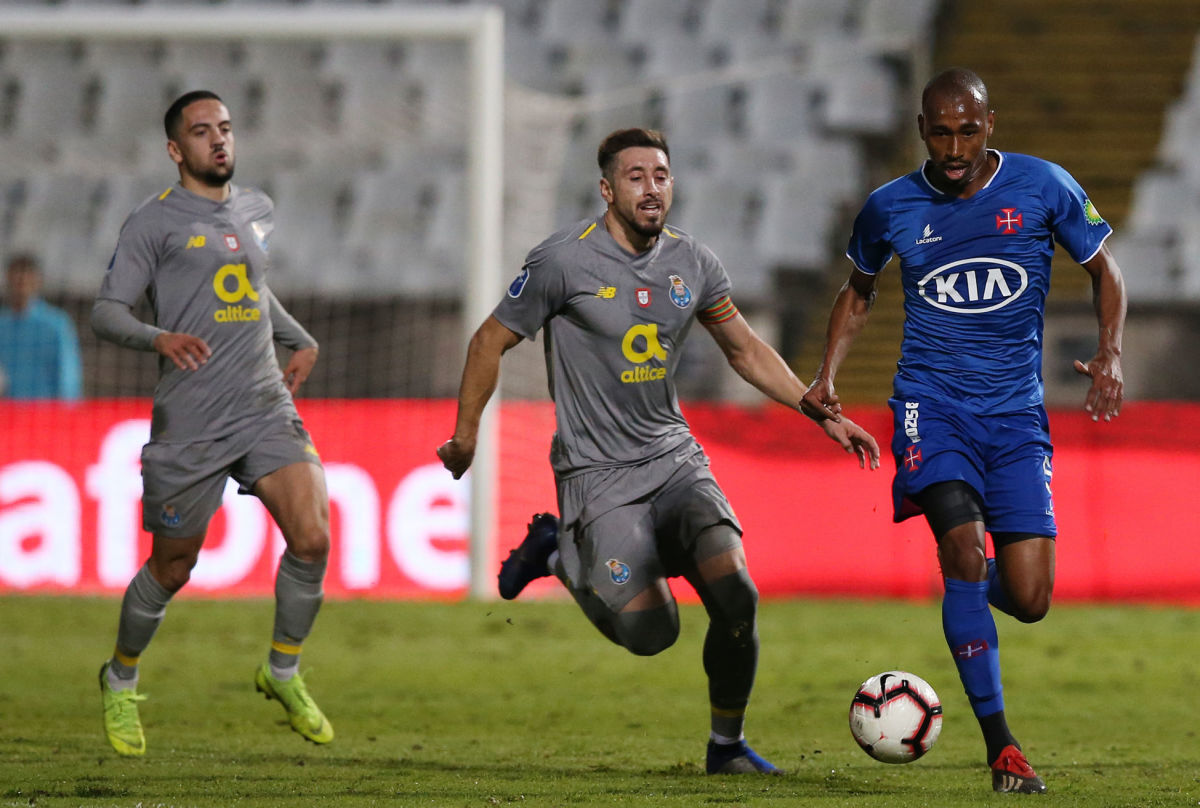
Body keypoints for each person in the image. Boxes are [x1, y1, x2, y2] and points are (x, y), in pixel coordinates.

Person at [437, 127, 881, 775]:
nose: (652, 187)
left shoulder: (693, 263)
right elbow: (488, 341)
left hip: (675, 462)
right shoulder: (563, 261)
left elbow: (745, 350)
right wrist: (467, 434)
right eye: (636, 176)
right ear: (607, 189)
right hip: (597, 477)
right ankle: (558, 551)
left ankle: (726, 748)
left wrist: (816, 408)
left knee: (736, 592)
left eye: (661, 175)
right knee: (653, 634)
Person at [800, 68, 1127, 794]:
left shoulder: (1044, 187)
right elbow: (859, 293)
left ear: (990, 124)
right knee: (961, 545)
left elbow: (1105, 271)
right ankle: (1002, 747)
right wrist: (825, 376)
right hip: (930, 405)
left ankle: (966, 591)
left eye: (968, 130)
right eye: (941, 131)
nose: (954, 147)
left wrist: (1111, 350)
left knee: (1032, 598)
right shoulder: (889, 206)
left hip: (1015, 416)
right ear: (921, 129)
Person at [91, 90, 334, 757]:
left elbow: (249, 288)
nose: (218, 140)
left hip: (262, 405)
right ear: (176, 150)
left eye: (225, 128)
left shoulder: (257, 209)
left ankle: (281, 670)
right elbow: (106, 311)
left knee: (313, 538)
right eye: (201, 132)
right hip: (191, 420)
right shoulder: (153, 224)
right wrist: (158, 338)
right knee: (172, 568)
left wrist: (298, 337)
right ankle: (120, 677)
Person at [0, 254, 82, 399]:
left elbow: (68, 376)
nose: (21, 282)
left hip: (43, 413)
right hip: (8, 414)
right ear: (8, 279)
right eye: (16, 277)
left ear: (37, 281)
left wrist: (67, 414)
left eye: (26, 277)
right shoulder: (3, 325)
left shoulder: (56, 324)